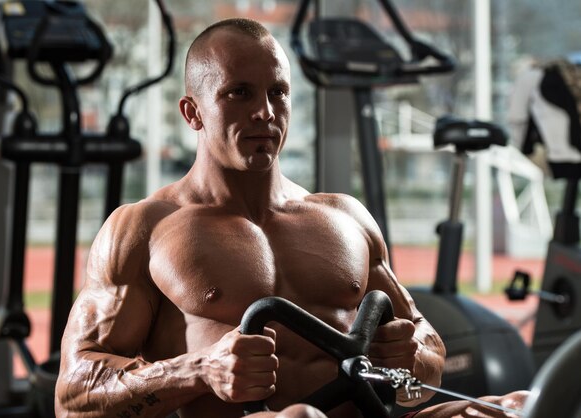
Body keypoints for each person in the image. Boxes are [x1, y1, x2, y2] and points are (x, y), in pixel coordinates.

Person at [54, 17, 519, 418]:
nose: (265, 112)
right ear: (192, 113)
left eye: (278, 93)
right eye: (239, 93)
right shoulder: (145, 229)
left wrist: (412, 354)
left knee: (519, 406)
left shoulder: (345, 217)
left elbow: (428, 345)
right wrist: (198, 368)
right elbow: (74, 398)